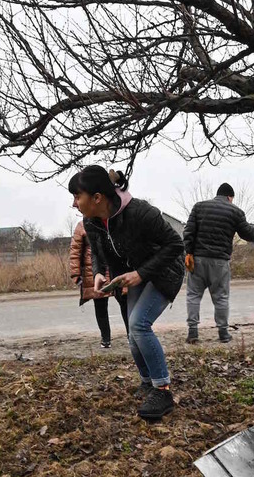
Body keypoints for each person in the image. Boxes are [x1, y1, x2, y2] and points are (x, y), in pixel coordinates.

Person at [68, 166, 185, 421]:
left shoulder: (140, 213)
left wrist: (140, 274)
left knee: (139, 325)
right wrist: (99, 273)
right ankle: (147, 382)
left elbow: (176, 245)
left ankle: (162, 390)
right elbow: (99, 251)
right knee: (133, 333)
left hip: (164, 271)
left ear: (97, 198)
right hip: (133, 273)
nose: (74, 203)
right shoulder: (92, 220)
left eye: (78, 196)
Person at [183, 182, 254, 344]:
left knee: (193, 295)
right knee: (221, 297)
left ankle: (193, 333)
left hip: (197, 259)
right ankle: (223, 333)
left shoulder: (199, 207)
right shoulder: (235, 212)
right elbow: (248, 234)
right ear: (229, 197)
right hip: (220, 262)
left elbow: (189, 232)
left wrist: (189, 252)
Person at [69, 219, 129, 348]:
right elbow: (75, 251)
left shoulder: (112, 220)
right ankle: (106, 338)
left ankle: (132, 336)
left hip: (115, 268)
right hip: (94, 271)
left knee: (124, 302)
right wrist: (76, 274)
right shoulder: (82, 226)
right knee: (101, 306)